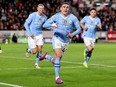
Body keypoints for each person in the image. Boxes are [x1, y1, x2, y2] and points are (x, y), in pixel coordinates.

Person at [40, 2, 81, 84]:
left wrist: (72, 34)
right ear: (60, 9)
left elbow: (79, 29)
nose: (65, 8)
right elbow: (45, 24)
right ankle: (57, 78)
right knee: (59, 55)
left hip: (66, 42)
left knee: (55, 60)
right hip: (57, 38)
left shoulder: (73, 18)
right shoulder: (56, 16)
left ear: (69, 9)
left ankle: (47, 56)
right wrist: (52, 25)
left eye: (67, 7)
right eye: (64, 7)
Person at [24, 4, 47, 69]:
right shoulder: (32, 15)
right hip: (32, 35)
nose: (41, 10)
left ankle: (36, 64)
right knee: (34, 52)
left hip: (39, 34)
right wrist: (29, 33)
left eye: (42, 8)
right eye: (40, 8)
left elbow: (46, 25)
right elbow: (26, 24)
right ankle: (28, 50)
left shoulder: (44, 17)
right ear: (37, 8)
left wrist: (53, 25)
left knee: (40, 49)